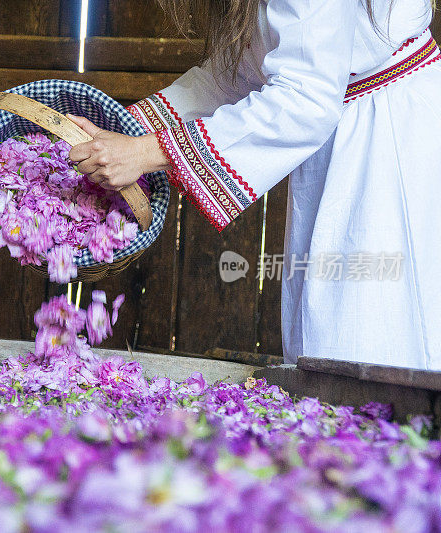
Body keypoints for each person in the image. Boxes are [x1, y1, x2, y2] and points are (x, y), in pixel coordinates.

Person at [67, 0, 440, 370]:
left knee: (372, 330)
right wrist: (124, 133)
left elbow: (304, 100)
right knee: (329, 326)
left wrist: (146, 152)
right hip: (347, 129)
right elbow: (237, 74)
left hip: (390, 138)